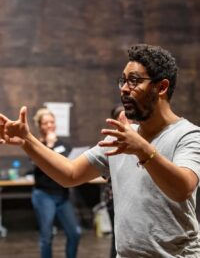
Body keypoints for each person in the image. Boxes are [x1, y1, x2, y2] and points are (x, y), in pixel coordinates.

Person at [1, 44, 200, 257]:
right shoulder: (120, 138)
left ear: (161, 87)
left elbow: (182, 189)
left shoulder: (188, 135)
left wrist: (144, 150)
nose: (124, 88)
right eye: (123, 81)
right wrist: (27, 140)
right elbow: (70, 174)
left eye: (133, 81)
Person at [30, 108, 81, 258]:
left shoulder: (64, 145)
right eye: (45, 123)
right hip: (44, 195)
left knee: (75, 233)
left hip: (62, 195)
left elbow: (67, 165)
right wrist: (50, 146)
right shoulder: (36, 145)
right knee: (47, 237)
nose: (49, 125)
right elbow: (38, 165)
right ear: (40, 126)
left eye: (52, 122)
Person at [101, 104, 125, 258]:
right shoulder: (111, 141)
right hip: (114, 198)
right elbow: (104, 173)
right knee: (117, 238)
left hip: (130, 198)